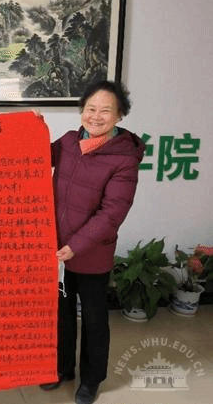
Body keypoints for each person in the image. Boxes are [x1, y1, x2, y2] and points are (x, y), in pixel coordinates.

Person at [41, 80, 145, 404]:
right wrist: (30, 130)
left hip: (91, 253)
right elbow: (34, 158)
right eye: (90, 108)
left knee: (94, 318)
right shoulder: (68, 142)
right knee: (60, 312)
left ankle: (92, 379)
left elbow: (113, 212)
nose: (95, 117)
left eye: (105, 111)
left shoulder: (124, 158)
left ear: (120, 115)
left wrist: (77, 245)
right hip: (57, 250)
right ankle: (61, 368)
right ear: (82, 110)